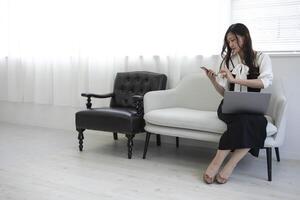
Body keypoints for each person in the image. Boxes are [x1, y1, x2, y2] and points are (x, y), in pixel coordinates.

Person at [203, 23, 273, 184]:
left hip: (252, 108)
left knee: (254, 121)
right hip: (230, 107)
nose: (231, 44)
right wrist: (213, 81)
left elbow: (264, 82)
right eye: (229, 41)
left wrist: (235, 79)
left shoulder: (262, 57)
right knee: (252, 122)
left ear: (245, 37)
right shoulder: (228, 61)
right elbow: (225, 93)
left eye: (234, 40)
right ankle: (218, 163)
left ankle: (228, 164)